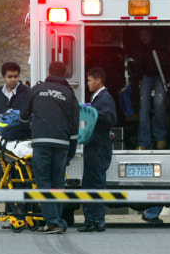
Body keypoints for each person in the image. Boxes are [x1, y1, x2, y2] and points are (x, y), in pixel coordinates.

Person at [20, 61, 79, 234]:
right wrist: (72, 149)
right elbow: (74, 124)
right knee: (58, 182)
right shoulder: (69, 94)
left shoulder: (37, 90)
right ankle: (57, 220)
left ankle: (53, 222)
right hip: (61, 143)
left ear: (49, 72)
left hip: (41, 142)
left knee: (43, 181)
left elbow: (24, 116)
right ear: (65, 74)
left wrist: (25, 128)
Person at [0, 62, 30, 229]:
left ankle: (23, 214)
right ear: (3, 77)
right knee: (6, 177)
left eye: (15, 76)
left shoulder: (26, 92)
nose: (13, 80)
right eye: (9, 77)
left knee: (21, 178)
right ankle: (10, 213)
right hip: (3, 142)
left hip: (20, 141)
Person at [78, 67, 117, 232]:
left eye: (89, 80)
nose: (87, 84)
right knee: (89, 183)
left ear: (98, 80)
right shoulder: (96, 98)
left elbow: (111, 118)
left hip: (99, 147)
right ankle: (91, 220)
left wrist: (93, 112)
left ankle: (97, 220)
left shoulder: (105, 98)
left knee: (95, 183)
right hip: (92, 146)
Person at [130, 27, 168, 150]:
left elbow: (169, 64)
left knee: (159, 102)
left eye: (146, 34)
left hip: (161, 76)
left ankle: (160, 137)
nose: (144, 38)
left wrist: (169, 80)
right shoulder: (138, 48)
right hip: (146, 76)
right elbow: (134, 66)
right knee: (143, 106)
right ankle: (143, 142)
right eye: (141, 35)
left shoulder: (160, 46)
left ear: (152, 34)